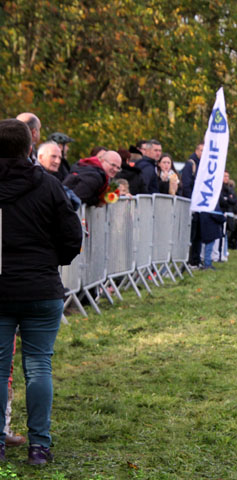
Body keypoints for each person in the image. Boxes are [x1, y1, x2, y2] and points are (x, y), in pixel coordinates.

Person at [0, 118, 83, 464]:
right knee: (38, 368)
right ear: (30, 147)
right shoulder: (48, 186)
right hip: (41, 286)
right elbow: (72, 236)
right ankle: (39, 446)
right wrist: (52, 261)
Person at [182, 142, 204, 267]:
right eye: (201, 150)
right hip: (192, 205)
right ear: (197, 151)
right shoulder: (191, 164)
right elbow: (186, 185)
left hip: (200, 205)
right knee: (192, 233)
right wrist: (192, 201)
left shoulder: (204, 165)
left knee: (199, 234)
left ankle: (196, 259)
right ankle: (189, 260)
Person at [217, 171, 237, 260]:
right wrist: (228, 200)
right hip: (221, 212)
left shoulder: (230, 189)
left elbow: (234, 200)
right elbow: (223, 201)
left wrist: (228, 200)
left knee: (225, 233)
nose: (226, 178)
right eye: (224, 176)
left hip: (228, 214)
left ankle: (224, 251)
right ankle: (220, 252)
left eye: (227, 176)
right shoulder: (219, 188)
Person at [199, 202, 226, 270]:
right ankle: (207, 264)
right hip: (211, 227)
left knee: (205, 246)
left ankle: (204, 262)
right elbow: (217, 215)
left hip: (204, 224)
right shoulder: (212, 201)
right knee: (209, 246)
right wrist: (223, 218)